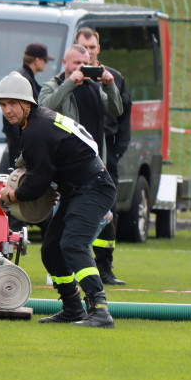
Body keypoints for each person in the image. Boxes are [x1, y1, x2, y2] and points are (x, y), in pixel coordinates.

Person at [0, 73, 118, 328]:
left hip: (94, 187)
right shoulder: (38, 123)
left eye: (12, 104)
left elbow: (36, 181)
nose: (7, 110)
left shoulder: (36, 129)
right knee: (51, 250)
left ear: (27, 104)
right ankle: (73, 308)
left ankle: (100, 310)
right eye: (3, 105)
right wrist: (57, 183)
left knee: (73, 245)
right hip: (80, 188)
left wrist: (11, 195)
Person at [75, 27, 133, 286]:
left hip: (107, 154)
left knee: (109, 212)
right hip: (77, 154)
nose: (88, 53)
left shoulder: (114, 77)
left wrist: (118, 151)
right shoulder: (71, 77)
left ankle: (105, 268)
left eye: (92, 47)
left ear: (99, 49)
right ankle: (74, 262)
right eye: (83, 47)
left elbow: (124, 115)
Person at [38, 44, 123, 165]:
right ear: (64, 63)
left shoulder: (94, 87)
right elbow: (43, 110)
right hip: (66, 162)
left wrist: (110, 86)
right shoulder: (52, 86)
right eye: (77, 63)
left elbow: (116, 110)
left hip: (95, 162)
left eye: (85, 63)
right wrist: (70, 83)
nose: (81, 67)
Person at [4, 43, 53, 167]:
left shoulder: (22, 77)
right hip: (20, 141)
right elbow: (17, 112)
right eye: (45, 60)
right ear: (37, 60)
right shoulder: (23, 80)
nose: (46, 63)